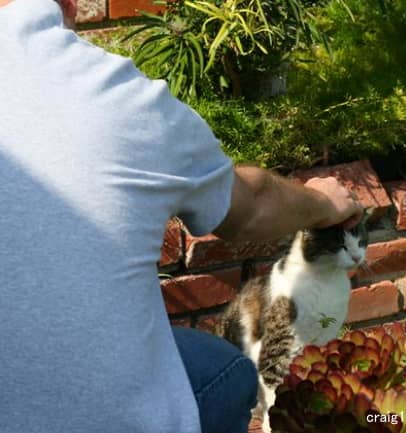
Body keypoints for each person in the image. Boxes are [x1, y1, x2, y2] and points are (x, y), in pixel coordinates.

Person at [0, 1, 363, 433]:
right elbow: (250, 210)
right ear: (71, 6)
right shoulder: (116, 95)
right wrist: (324, 203)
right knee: (225, 371)